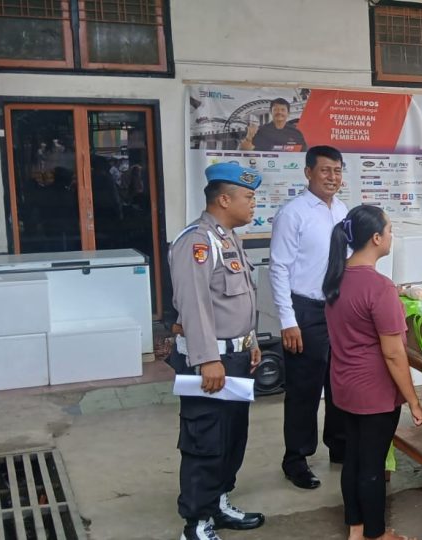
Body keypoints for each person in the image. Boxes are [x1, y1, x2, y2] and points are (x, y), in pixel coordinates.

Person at [168, 162, 265, 540]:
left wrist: (251, 340)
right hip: (212, 360)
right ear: (224, 199)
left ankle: (219, 502)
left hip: (236, 357)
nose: (253, 203)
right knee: (204, 441)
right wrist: (208, 358)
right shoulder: (197, 241)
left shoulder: (227, 237)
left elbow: (237, 302)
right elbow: (194, 306)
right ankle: (196, 523)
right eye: (248, 197)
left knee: (231, 437)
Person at [322, 205, 422, 540]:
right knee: (371, 465)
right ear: (377, 238)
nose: (392, 236)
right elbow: (394, 354)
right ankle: (377, 535)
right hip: (374, 392)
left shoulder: (336, 278)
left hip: (344, 386)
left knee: (352, 458)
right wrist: (414, 400)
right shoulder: (379, 287)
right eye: (390, 229)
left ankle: (355, 528)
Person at [270, 145, 350, 489]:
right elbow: (279, 268)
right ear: (308, 173)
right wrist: (288, 320)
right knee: (304, 387)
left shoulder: (342, 210)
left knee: (338, 382)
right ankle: (296, 459)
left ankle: (339, 445)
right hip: (304, 310)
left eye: (337, 171)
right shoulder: (294, 213)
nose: (332, 178)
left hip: (337, 308)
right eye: (325, 171)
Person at [241, 97, 308, 152]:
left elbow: (303, 153)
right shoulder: (261, 131)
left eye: (283, 110)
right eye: (276, 109)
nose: (279, 112)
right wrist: (249, 137)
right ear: (271, 112)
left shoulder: (296, 132)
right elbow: (244, 151)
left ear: (288, 113)